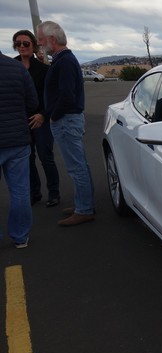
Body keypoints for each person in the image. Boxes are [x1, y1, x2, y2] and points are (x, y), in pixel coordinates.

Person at [37, 20, 95, 226]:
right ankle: (84, 203)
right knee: (80, 165)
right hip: (68, 119)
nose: (39, 43)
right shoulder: (63, 60)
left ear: (52, 39)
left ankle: (84, 209)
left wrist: (53, 115)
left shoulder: (64, 62)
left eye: (40, 39)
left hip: (66, 120)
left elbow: (67, 95)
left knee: (76, 167)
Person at [13, 29, 61, 207]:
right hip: (20, 121)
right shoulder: (12, 66)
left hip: (41, 119)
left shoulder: (43, 69)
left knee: (45, 157)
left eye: (26, 43)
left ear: (33, 45)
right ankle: (34, 193)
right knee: (27, 159)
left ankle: (54, 193)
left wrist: (43, 115)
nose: (22, 46)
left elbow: (52, 97)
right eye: (18, 43)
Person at [0, 48, 38, 248]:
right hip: (17, 139)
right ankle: (20, 236)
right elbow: (33, 102)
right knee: (20, 191)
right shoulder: (17, 68)